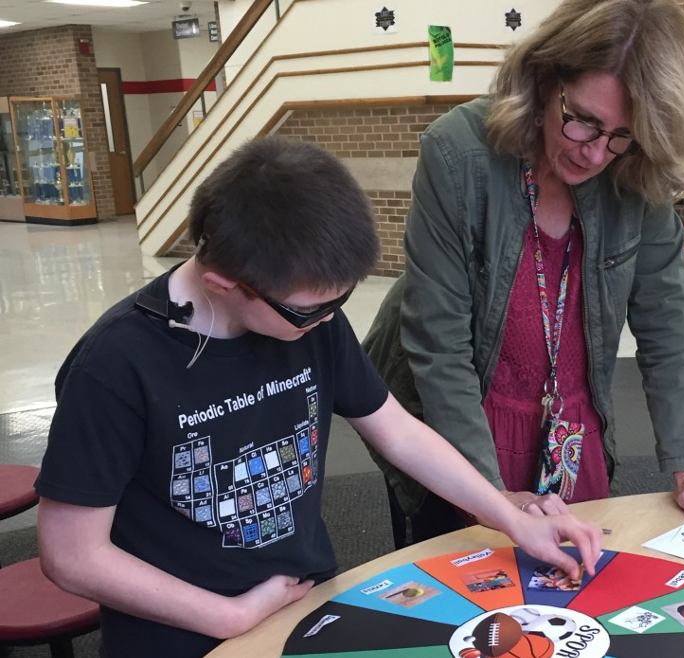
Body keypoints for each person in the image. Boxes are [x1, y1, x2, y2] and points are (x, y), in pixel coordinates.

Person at [33, 136, 602, 658]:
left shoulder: (311, 321)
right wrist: (228, 615)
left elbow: (397, 431)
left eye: (340, 300)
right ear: (224, 283)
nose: (328, 321)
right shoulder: (115, 364)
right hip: (181, 633)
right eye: (309, 310)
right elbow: (72, 555)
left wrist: (510, 515)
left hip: (305, 603)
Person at [362, 0, 684, 549]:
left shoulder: (637, 173)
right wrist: (490, 496)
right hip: (456, 423)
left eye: (621, 135)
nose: (595, 153)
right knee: (460, 599)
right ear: (544, 78)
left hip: (566, 427)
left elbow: (669, 330)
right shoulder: (457, 153)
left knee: (583, 597)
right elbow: (438, 347)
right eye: (584, 120)